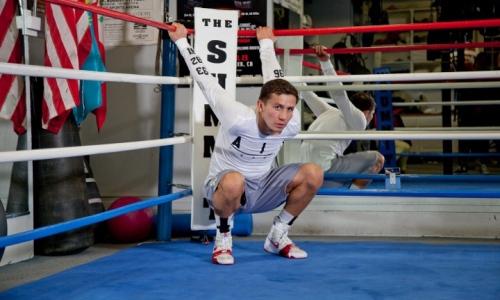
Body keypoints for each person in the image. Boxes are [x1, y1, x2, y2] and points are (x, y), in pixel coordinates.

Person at [168, 24, 323, 265]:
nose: (283, 116)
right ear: (261, 106)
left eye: (289, 109)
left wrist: (267, 44)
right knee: (234, 180)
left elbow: (276, 81)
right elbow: (205, 80)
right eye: (277, 108)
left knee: (313, 173)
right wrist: (181, 42)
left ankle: (277, 235)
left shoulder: (290, 125)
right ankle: (223, 239)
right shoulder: (238, 117)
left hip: (262, 187)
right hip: (224, 189)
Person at [300, 45, 385, 189]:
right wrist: (326, 63)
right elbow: (339, 95)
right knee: (378, 158)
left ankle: (339, 188)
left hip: (304, 170)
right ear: (365, 112)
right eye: (372, 113)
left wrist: (281, 72)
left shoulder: (329, 112)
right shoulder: (359, 119)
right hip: (324, 171)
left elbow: (306, 93)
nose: (371, 117)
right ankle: (353, 194)